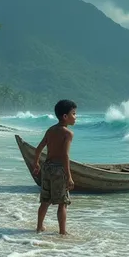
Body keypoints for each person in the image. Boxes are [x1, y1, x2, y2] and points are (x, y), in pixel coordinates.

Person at [33, 99, 77, 235]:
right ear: (65, 116)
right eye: (74, 114)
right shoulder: (68, 134)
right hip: (59, 169)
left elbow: (39, 148)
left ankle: (39, 227)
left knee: (45, 200)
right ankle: (62, 232)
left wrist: (36, 163)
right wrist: (69, 177)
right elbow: (65, 156)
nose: (75, 117)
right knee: (62, 203)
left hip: (47, 168)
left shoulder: (51, 130)